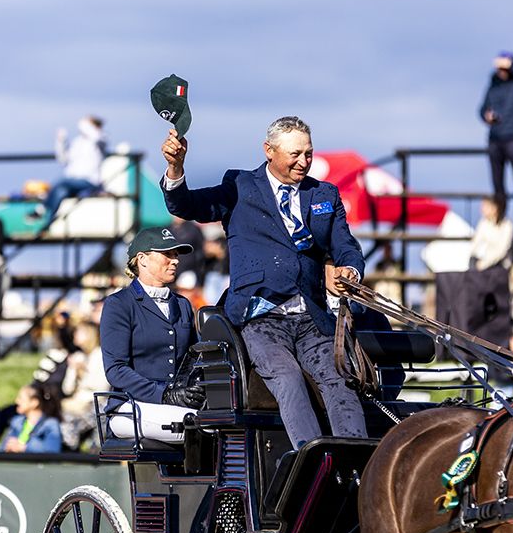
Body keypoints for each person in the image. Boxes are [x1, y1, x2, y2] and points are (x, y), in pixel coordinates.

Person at [160, 115, 367, 449]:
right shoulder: (239, 186)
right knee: (287, 378)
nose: (304, 162)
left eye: (309, 153)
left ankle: (354, 459)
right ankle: (311, 459)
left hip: (312, 317)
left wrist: (349, 271)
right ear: (269, 151)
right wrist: (175, 168)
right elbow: (186, 205)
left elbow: (346, 247)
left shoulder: (324, 193)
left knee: (340, 380)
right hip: (261, 317)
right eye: (295, 154)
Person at [101, 227, 204, 443]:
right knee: (198, 427)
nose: (175, 261)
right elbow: (116, 370)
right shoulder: (119, 304)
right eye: (167, 254)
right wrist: (164, 394)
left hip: (177, 406)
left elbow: (194, 359)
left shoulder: (183, 304)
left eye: (176, 255)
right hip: (131, 405)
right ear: (142, 259)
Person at [479, 51, 513, 232]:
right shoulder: (493, 84)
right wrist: (486, 116)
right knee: (498, 186)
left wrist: (512, 65)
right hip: (495, 140)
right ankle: (499, 221)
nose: (501, 70)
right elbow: (482, 109)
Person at [31, 116, 106, 232]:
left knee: (62, 181)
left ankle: (41, 209)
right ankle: (47, 224)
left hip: (89, 181)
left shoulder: (100, 139)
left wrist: (84, 123)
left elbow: (93, 133)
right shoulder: (78, 141)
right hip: (72, 182)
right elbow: (63, 159)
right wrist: (61, 141)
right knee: (61, 192)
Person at [60, 320, 108, 451]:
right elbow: (67, 389)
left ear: (89, 334)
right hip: (77, 403)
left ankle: (75, 450)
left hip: (94, 403)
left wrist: (83, 372)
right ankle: (69, 450)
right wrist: (73, 371)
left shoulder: (100, 356)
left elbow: (101, 387)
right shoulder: (78, 356)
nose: (74, 335)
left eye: (79, 332)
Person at [0, 383, 62, 454]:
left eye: (20, 398)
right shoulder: (17, 421)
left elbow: (53, 451)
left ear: (34, 402)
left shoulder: (51, 424)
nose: (16, 401)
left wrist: (24, 448)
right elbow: (2, 449)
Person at [469, 195, 513, 271]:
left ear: (495, 208)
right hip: (482, 263)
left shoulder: (507, 225)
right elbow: (475, 244)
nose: (481, 209)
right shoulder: (483, 223)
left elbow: (502, 250)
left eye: (485, 206)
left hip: (500, 265)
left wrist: (483, 264)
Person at [169, 216, 208, 285]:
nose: (176, 217)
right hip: (171, 269)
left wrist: (198, 267)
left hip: (189, 270)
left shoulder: (193, 229)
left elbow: (201, 249)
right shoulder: (167, 229)